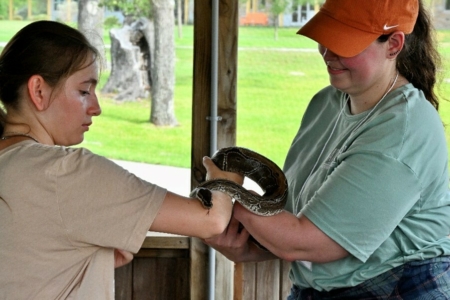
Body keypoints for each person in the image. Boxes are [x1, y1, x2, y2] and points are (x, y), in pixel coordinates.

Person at [203, 0, 450, 299]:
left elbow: (308, 241)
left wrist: (225, 196)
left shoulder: (404, 129)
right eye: (327, 38)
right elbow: (298, 221)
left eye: (344, 43)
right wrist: (249, 245)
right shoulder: (327, 103)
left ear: (394, 44)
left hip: (399, 287)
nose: (328, 53)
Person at [0, 20, 234, 299]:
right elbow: (211, 220)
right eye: (84, 91)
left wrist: (93, 258)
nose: (96, 108)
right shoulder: (66, 172)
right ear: (39, 91)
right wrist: (227, 179)